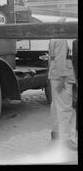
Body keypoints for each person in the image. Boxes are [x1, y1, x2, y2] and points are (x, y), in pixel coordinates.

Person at [47, 17, 76, 150]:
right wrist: (63, 79)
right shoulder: (62, 38)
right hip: (62, 75)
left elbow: (51, 60)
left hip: (54, 75)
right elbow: (60, 59)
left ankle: (56, 134)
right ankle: (66, 140)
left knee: (55, 105)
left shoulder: (52, 38)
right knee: (65, 108)